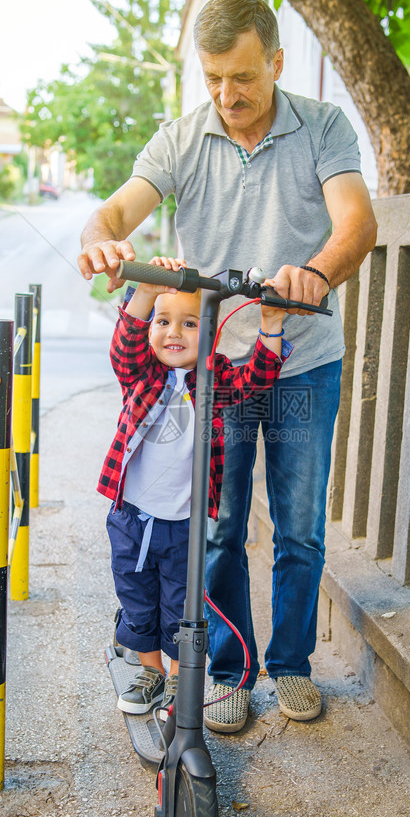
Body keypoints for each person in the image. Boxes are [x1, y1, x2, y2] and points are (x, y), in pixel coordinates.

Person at [79, 0, 377, 732]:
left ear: (274, 62)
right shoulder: (181, 138)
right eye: (212, 77)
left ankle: (290, 665)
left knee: (300, 528)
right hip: (214, 370)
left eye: (241, 76)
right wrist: (108, 240)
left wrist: (317, 272)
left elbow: (356, 223)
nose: (226, 93)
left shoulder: (323, 127)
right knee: (216, 526)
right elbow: (115, 213)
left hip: (299, 361)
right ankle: (227, 669)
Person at [101, 255, 291, 715]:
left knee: (178, 608)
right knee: (136, 599)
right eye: (163, 321)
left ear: (209, 334)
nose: (174, 333)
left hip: (183, 525)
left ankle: (175, 677)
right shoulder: (141, 375)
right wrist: (146, 286)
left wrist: (271, 325)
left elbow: (257, 378)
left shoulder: (214, 379)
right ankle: (151, 671)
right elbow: (124, 347)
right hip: (132, 519)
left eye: (189, 323)